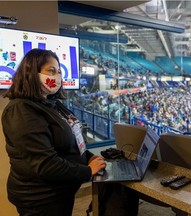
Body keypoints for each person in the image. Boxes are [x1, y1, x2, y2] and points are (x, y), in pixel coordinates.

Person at [1, 49, 138, 216]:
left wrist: (88, 157)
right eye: (51, 71)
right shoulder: (21, 110)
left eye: (59, 71)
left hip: (61, 191)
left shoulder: (51, 103)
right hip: (40, 198)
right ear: (31, 72)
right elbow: (45, 165)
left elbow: (71, 142)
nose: (57, 76)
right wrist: (87, 171)